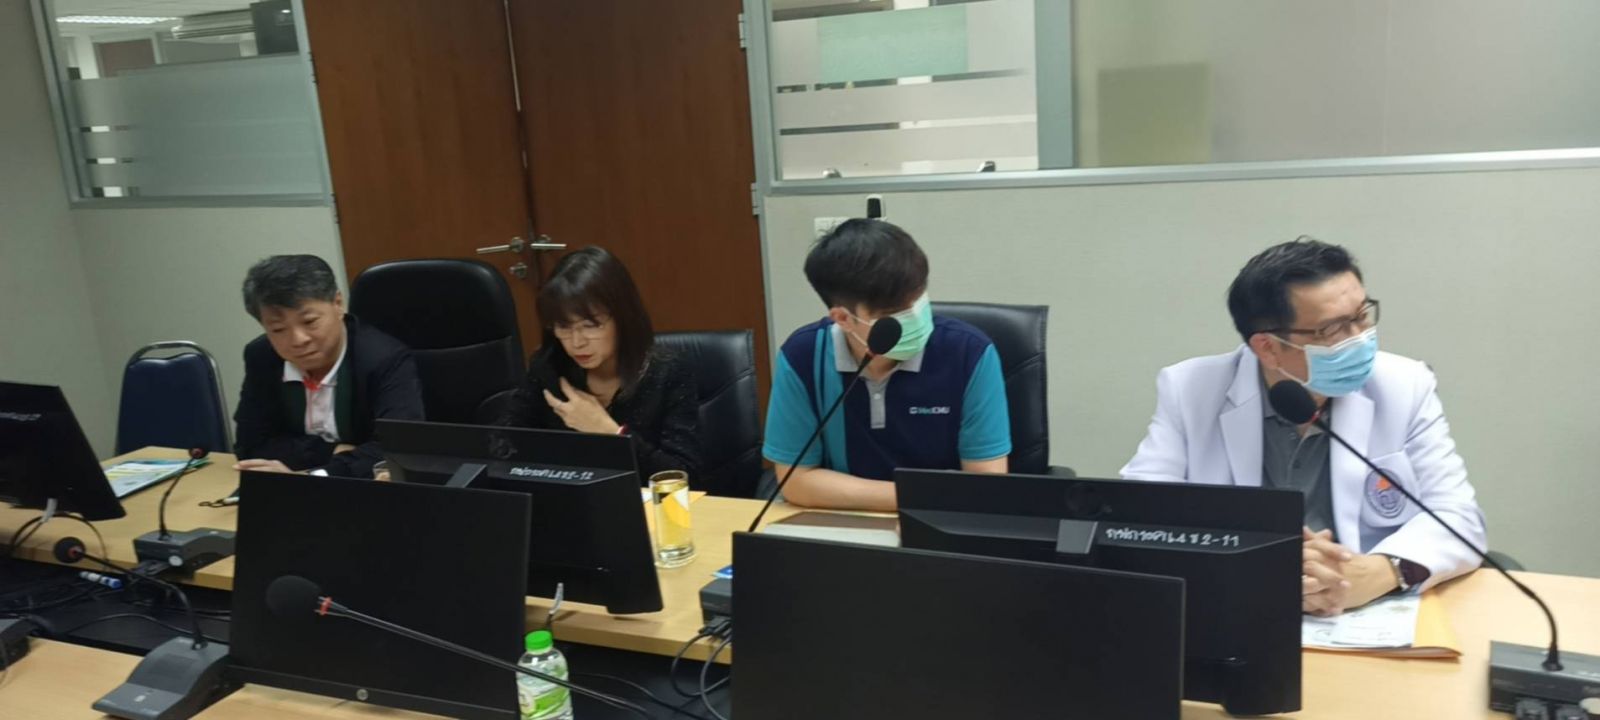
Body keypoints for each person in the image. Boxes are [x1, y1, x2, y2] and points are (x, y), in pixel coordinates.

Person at [1121, 237, 1485, 616]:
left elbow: (1459, 518)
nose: (1360, 338)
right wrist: (1254, 566)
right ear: (1267, 347)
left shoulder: (1405, 385)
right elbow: (1138, 518)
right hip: (1236, 605)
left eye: (1362, 315)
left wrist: (1378, 573)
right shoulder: (1191, 390)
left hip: (1362, 614)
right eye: (1332, 329)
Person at [763, 219, 1011, 512]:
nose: (915, 316)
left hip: (942, 522)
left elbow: (985, 484)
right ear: (843, 318)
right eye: (896, 313)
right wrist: (923, 496)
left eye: (918, 299)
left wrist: (923, 501)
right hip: (842, 520)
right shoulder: (803, 356)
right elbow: (795, 481)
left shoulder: (970, 353)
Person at [497, 247, 700, 480]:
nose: (577, 342)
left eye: (590, 325)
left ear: (623, 318)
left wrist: (609, 431)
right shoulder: (548, 365)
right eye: (563, 326)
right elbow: (501, 442)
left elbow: (684, 476)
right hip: (572, 497)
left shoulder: (669, 371)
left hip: (642, 501)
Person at [232, 255, 424, 478]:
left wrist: (316, 475)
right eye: (278, 329)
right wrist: (329, 452)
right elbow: (249, 444)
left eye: (309, 322)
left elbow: (397, 449)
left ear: (338, 304)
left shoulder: (384, 358)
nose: (298, 340)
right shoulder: (261, 356)